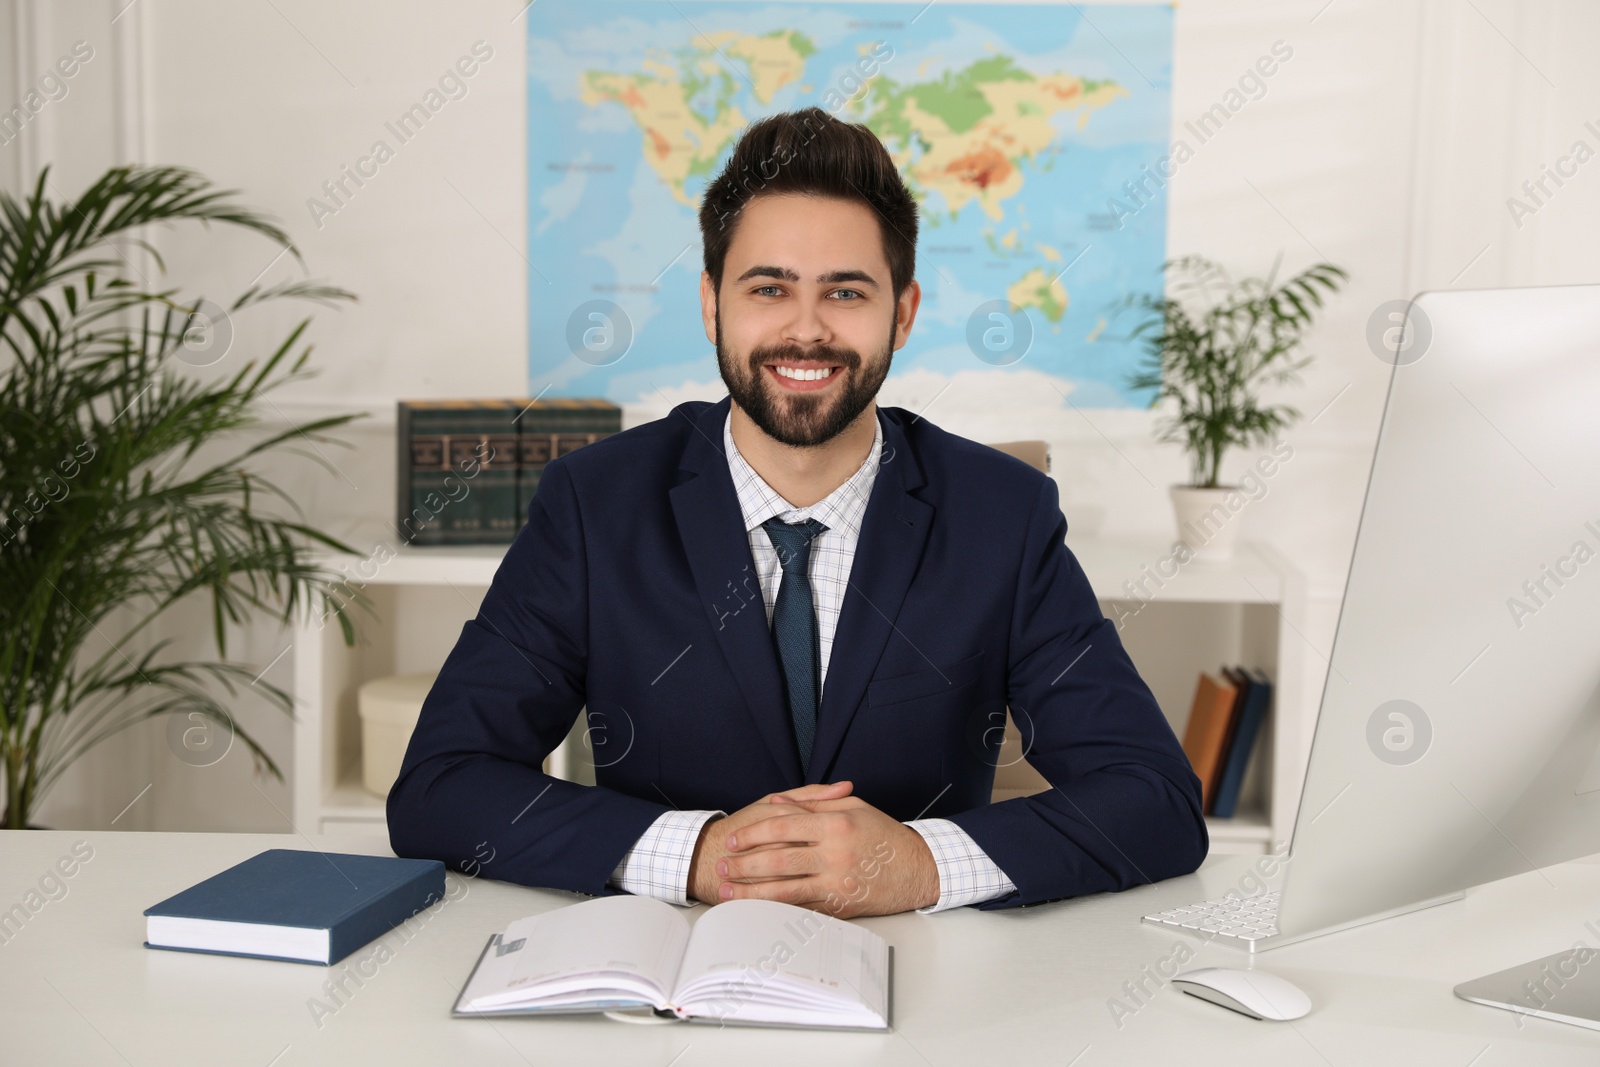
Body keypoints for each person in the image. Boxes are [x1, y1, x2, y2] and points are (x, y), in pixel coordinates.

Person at [388, 106, 1206, 917]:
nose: (806, 330)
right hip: (666, 983)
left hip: (920, 987)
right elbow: (440, 786)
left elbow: (1156, 799)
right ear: (712, 305)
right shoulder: (594, 506)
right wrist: (703, 856)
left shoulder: (1004, 516)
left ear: (904, 312)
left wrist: (920, 863)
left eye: (845, 291)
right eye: (769, 288)